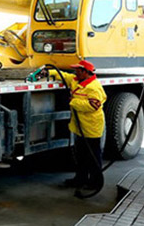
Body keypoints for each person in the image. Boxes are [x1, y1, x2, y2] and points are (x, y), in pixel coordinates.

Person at [43, 60, 107, 199]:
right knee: (81, 155)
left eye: (78, 70)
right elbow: (64, 75)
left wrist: (73, 101)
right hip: (80, 127)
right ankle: (80, 179)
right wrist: (49, 72)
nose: (75, 72)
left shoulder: (93, 87)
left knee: (93, 156)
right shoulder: (76, 80)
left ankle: (95, 182)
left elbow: (93, 106)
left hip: (91, 127)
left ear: (86, 72)